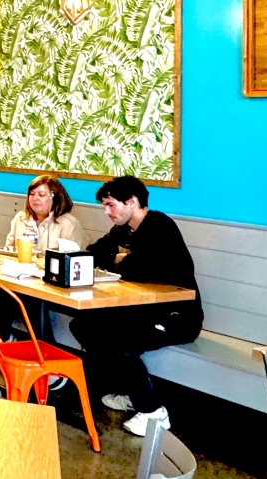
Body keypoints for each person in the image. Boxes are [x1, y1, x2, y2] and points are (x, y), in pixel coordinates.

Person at [75, 175, 203, 436]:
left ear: (132, 202)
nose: (107, 212)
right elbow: (93, 252)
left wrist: (122, 261)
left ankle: (153, 410)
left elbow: (142, 269)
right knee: (84, 325)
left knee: (118, 339)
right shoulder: (123, 230)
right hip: (142, 311)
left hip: (177, 316)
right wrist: (120, 258)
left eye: (111, 205)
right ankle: (131, 392)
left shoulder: (160, 226)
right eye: (105, 206)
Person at [0, 173, 83, 343]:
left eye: (41, 195)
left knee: (30, 301)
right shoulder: (21, 218)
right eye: (32, 194)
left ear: (55, 197)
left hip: (54, 286)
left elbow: (73, 261)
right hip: (23, 281)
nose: (35, 199)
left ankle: (44, 347)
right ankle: (3, 343)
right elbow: (8, 249)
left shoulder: (68, 224)